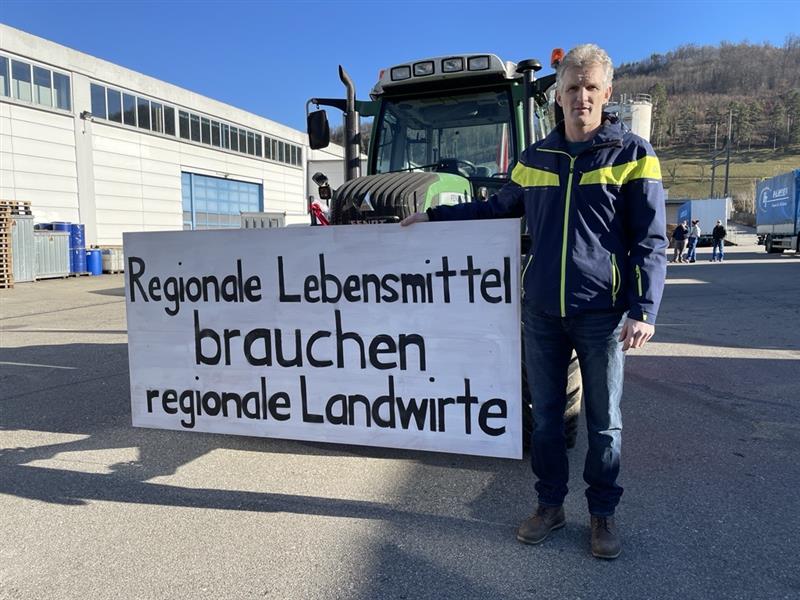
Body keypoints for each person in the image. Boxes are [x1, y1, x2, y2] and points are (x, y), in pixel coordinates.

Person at [401, 44, 667, 559]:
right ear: (559, 97)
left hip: (602, 314)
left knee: (603, 419)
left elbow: (651, 240)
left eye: (591, 88)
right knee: (545, 417)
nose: (581, 98)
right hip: (542, 311)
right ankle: (550, 506)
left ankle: (602, 514)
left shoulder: (634, 155)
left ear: (607, 93)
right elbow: (496, 208)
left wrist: (644, 308)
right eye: (572, 88)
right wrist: (433, 218)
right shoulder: (535, 159)